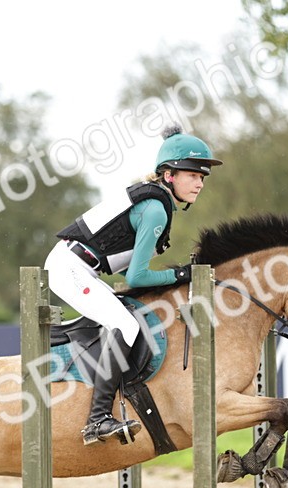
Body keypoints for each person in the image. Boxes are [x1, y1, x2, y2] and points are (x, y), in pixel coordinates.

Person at [47, 126, 223, 446]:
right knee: (126, 325)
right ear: (168, 175)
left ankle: (61, 340)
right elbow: (137, 278)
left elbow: (131, 273)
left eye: (203, 176)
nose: (200, 182)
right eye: (192, 174)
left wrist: (179, 276)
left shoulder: (156, 203)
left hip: (80, 268)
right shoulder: (156, 208)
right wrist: (183, 275)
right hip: (71, 268)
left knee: (124, 315)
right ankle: (97, 419)